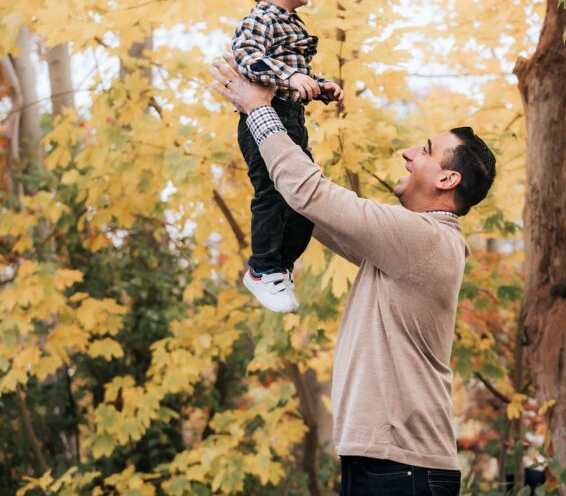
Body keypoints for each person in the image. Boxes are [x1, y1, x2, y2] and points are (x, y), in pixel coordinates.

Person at [211, 55, 496, 496]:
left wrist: (260, 111)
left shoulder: (425, 241)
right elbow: (304, 204)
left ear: (447, 178)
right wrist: (279, 108)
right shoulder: (408, 246)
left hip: (403, 468)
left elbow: (311, 192)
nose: (407, 154)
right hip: (389, 463)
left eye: (424, 150)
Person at [231, 0, 344, 313]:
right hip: (263, 116)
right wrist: (291, 77)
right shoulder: (260, 18)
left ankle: (281, 265)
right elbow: (248, 57)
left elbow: (300, 76)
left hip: (292, 119)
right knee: (272, 193)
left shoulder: (291, 23)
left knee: (303, 198)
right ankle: (262, 269)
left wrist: (321, 86)